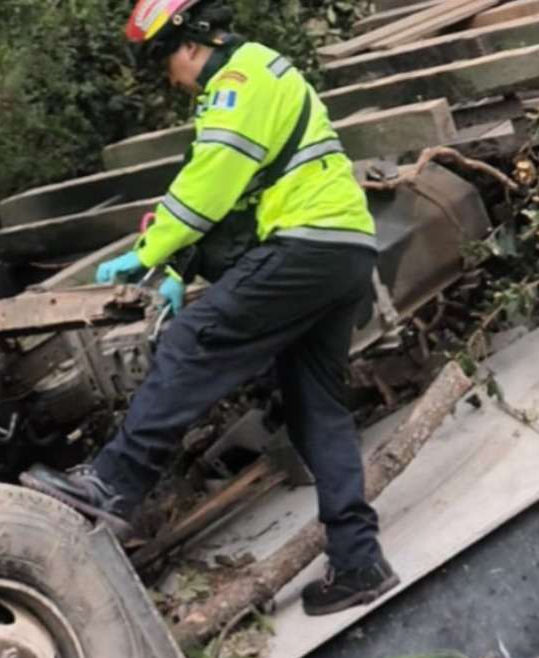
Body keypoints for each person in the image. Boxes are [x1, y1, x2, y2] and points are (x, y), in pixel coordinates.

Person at [21, 0, 399, 616]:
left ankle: (112, 484)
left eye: (164, 62)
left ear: (189, 44)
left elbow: (210, 185)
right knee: (317, 410)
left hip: (305, 243)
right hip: (345, 248)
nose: (170, 78)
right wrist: (176, 269)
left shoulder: (239, 81)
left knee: (191, 341)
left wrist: (146, 253)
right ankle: (358, 562)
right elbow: (240, 205)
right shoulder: (259, 79)